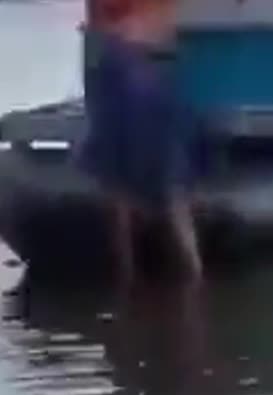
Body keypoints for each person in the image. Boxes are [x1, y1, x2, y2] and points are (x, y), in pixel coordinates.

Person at [80, 0, 204, 286]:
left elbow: (99, 22)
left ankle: (130, 274)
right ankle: (192, 275)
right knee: (170, 180)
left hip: (127, 64)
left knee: (121, 182)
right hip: (145, 66)